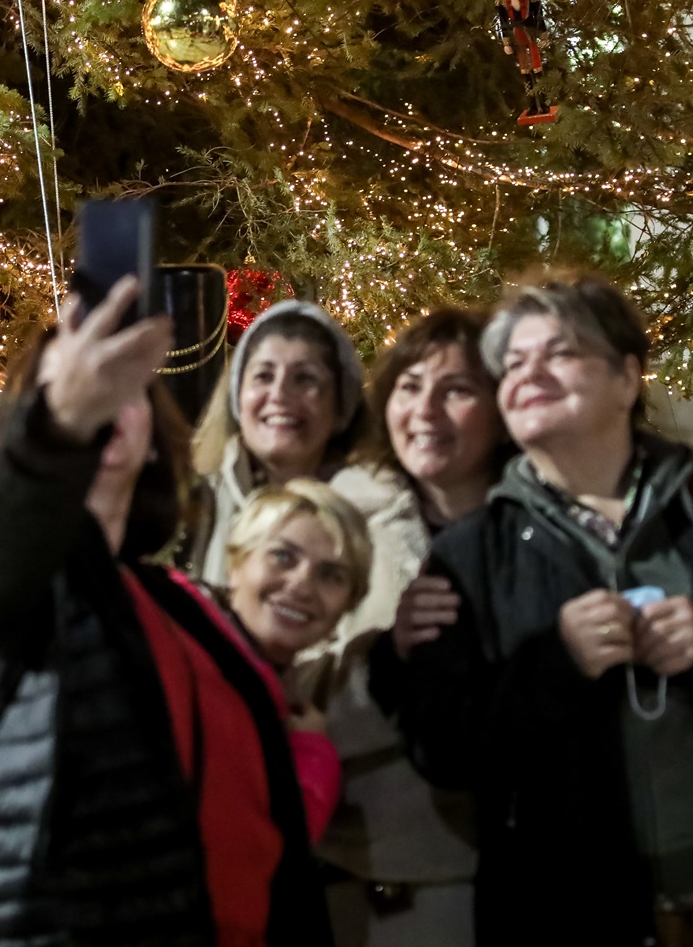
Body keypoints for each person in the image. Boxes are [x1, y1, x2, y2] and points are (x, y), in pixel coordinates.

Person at [370, 271, 693, 946]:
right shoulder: (468, 554)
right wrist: (557, 662)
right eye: (512, 363)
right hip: (562, 922)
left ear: (627, 379)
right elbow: (441, 745)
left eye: (560, 353)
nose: (528, 372)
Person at [0, 277, 333, 947]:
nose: (105, 396)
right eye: (74, 381)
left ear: (153, 435)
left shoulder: (189, 607)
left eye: (126, 385)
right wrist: (60, 425)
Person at [318, 308, 512, 945]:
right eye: (408, 386)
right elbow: (293, 702)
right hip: (385, 872)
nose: (424, 409)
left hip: (537, 870)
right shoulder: (336, 527)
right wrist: (388, 661)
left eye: (455, 389)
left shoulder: (546, 528)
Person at [219, 478, 376, 842]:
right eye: (282, 556)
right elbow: (269, 846)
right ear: (236, 563)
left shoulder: (274, 688)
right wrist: (313, 754)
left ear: (348, 606)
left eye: (329, 575)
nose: (301, 585)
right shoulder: (194, 664)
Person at [189, 301, 366, 585]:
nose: (280, 395)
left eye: (304, 379)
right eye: (264, 376)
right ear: (238, 397)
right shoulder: (190, 506)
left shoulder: (373, 513)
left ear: (340, 405)